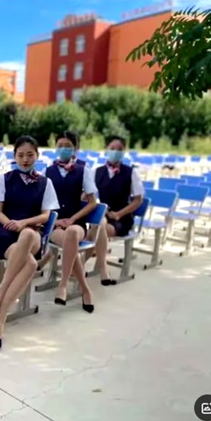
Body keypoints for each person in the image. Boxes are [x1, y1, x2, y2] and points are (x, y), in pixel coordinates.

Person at [0, 136, 59, 348]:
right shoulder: (4, 179)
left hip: (32, 233)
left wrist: (24, 223)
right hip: (6, 234)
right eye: (20, 155)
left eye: (30, 155)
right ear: (14, 156)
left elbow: (45, 215)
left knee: (27, 234)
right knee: (31, 264)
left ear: (37, 155)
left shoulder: (45, 183)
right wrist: (11, 224)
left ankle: (1, 290)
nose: (25, 159)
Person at [44, 131, 98, 313]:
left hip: (76, 223)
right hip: (56, 224)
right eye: (60, 145)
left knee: (72, 233)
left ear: (75, 148)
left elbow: (92, 202)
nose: (63, 149)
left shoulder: (83, 171)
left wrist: (73, 219)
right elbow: (43, 201)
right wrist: (56, 220)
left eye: (68, 146)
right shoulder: (48, 171)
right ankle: (85, 290)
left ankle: (63, 285)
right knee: (69, 241)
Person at [91, 135, 144, 285]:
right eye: (112, 148)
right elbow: (89, 195)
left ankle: (90, 266)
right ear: (106, 150)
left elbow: (138, 200)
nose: (115, 152)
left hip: (122, 218)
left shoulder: (130, 173)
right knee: (97, 227)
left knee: (94, 232)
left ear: (124, 151)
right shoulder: (97, 171)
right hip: (103, 215)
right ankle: (99, 268)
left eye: (119, 149)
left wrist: (119, 214)